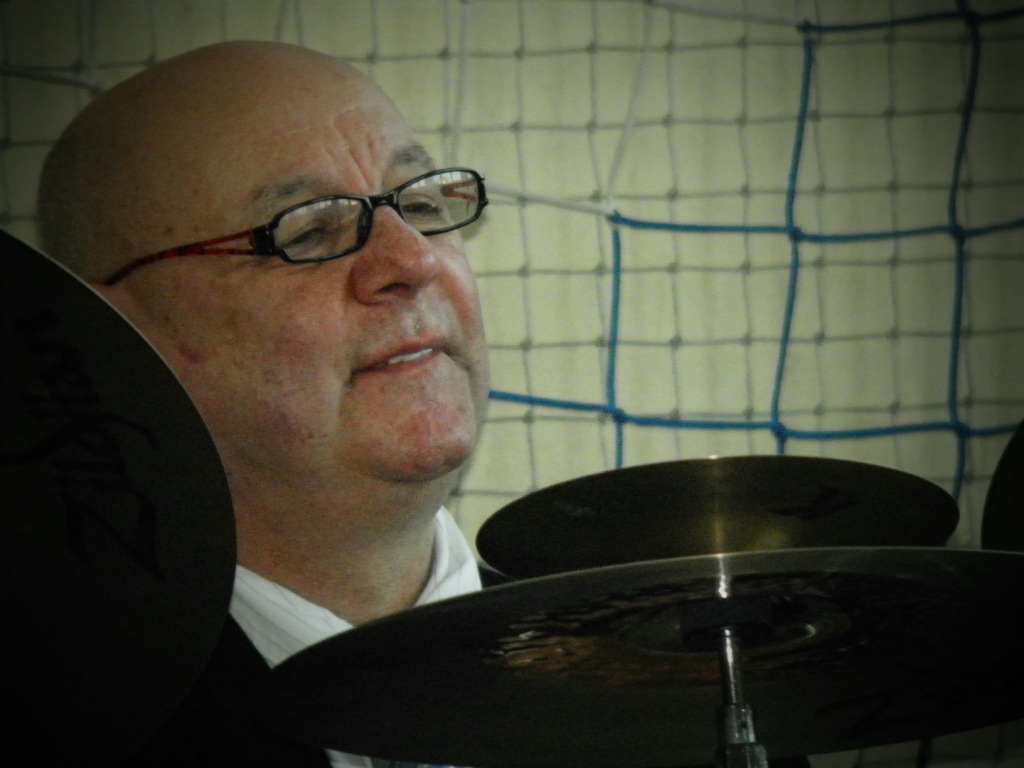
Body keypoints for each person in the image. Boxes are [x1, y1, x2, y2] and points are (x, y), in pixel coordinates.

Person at [38, 40, 492, 766]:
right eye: (308, 231)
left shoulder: (657, 673)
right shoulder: (50, 720)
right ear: (111, 335)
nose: (415, 259)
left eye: (421, 203)